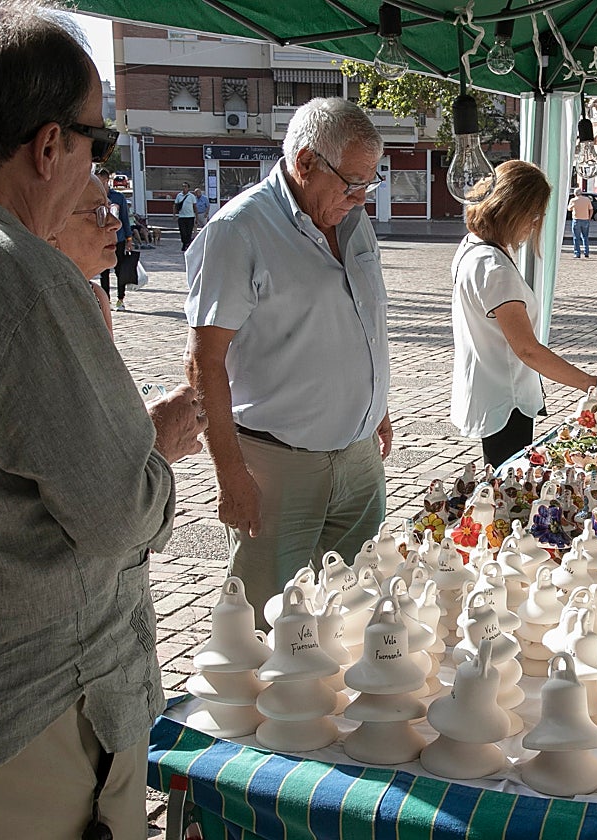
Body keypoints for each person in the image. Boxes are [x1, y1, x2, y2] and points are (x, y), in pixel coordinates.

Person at [0, 2, 207, 838]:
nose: (97, 167)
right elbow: (115, 514)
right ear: (49, 145)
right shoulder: (12, 275)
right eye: (98, 140)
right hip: (29, 720)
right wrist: (155, 455)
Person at [185, 97, 392, 624]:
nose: (361, 196)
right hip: (278, 465)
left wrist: (376, 406)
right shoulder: (240, 230)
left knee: (355, 613)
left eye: (370, 183)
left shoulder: (353, 218)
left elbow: (362, 317)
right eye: (351, 183)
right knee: (265, 622)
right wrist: (230, 474)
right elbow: (205, 360)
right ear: (305, 162)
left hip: (360, 456)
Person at [451, 160, 597, 468]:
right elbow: (527, 349)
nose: (533, 226)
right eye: (533, 217)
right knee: (507, 486)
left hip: (495, 391)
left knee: (506, 482)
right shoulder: (493, 267)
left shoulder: (473, 247)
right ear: (513, 211)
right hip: (505, 400)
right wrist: (590, 382)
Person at [53, 173, 123, 336]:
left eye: (109, 209)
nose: (115, 223)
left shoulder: (97, 295)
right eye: (99, 212)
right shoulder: (30, 305)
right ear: (51, 229)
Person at [97, 167, 134, 310]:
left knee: (120, 270)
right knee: (103, 271)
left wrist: (129, 239)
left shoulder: (118, 197)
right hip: (101, 239)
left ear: (107, 180)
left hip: (118, 238)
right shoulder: (95, 198)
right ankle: (105, 301)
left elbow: (124, 218)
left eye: (101, 181)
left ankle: (120, 299)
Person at [567, 188, 593, 258]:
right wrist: (589, 217)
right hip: (585, 219)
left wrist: (573, 205)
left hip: (576, 220)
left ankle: (577, 253)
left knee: (576, 237)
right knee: (585, 237)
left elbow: (569, 209)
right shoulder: (587, 199)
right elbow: (591, 209)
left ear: (575, 194)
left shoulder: (573, 200)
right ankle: (586, 252)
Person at [174, 181, 196, 251]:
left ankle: (187, 244)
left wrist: (197, 217)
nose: (184, 188)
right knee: (183, 232)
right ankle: (184, 243)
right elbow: (175, 205)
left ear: (188, 188)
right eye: (183, 186)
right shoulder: (179, 195)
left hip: (190, 217)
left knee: (189, 232)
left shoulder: (192, 196)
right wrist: (174, 214)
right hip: (182, 217)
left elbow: (195, 206)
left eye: (185, 187)